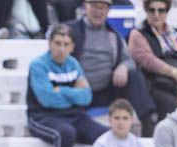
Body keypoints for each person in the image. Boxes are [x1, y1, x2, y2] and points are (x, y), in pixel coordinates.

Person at [67, 0, 157, 134]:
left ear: (108, 10)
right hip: (78, 90)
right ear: (86, 6)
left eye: (103, 8)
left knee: (134, 76)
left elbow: (129, 60)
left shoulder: (113, 35)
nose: (99, 12)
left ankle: (148, 122)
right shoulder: (71, 31)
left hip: (106, 90)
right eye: (95, 7)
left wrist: (123, 66)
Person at [27, 24, 106, 147]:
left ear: (72, 47)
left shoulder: (73, 64)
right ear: (50, 43)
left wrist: (61, 90)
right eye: (57, 43)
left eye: (66, 44)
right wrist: (74, 92)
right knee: (66, 133)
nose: (61, 49)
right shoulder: (38, 65)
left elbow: (86, 97)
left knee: (105, 135)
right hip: (42, 117)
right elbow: (47, 99)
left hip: (75, 116)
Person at [129, 0, 177, 123]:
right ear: (146, 11)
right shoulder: (138, 33)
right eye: (152, 10)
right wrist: (174, 73)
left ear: (167, 11)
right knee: (170, 105)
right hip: (157, 83)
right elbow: (148, 60)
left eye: (161, 10)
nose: (156, 14)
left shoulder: (175, 33)